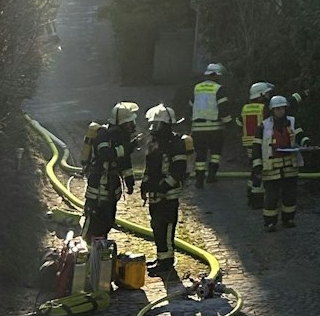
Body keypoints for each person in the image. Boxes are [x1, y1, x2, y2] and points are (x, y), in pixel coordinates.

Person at [140, 104, 194, 268]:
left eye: (156, 125)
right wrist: (144, 184)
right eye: (152, 125)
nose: (153, 128)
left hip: (168, 194)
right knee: (156, 225)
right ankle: (161, 258)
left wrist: (164, 185)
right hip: (155, 194)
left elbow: (178, 170)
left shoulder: (176, 143)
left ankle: (168, 261)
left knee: (167, 225)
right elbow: (149, 167)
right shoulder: (154, 143)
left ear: (166, 125)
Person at [81, 101, 140, 240]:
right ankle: (86, 252)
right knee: (94, 221)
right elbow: (105, 154)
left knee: (107, 221)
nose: (131, 127)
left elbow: (124, 162)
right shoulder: (103, 134)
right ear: (120, 123)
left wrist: (129, 180)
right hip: (98, 187)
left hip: (111, 189)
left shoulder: (120, 138)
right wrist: (127, 148)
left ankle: (100, 252)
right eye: (129, 124)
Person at [258, 93, 308, 232]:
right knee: (271, 197)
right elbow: (257, 146)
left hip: (289, 165)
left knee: (290, 195)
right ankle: (270, 222)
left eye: (283, 108)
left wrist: (306, 142)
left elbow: (300, 134)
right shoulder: (264, 126)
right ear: (272, 110)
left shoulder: (291, 122)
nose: (281, 111)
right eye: (278, 109)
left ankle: (288, 219)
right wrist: (257, 165)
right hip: (271, 167)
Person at [190, 64, 228, 188]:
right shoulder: (219, 88)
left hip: (197, 128)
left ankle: (199, 180)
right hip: (214, 128)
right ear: (216, 75)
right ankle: (211, 176)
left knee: (200, 154)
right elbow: (223, 108)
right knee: (215, 153)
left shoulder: (197, 88)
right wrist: (229, 123)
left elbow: (191, 105)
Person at [240, 82, 274, 209]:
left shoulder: (245, 108)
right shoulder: (264, 109)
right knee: (260, 171)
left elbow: (239, 123)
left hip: (248, 144)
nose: (268, 96)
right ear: (261, 95)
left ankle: (250, 193)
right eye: (267, 94)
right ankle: (256, 199)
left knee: (254, 170)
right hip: (260, 144)